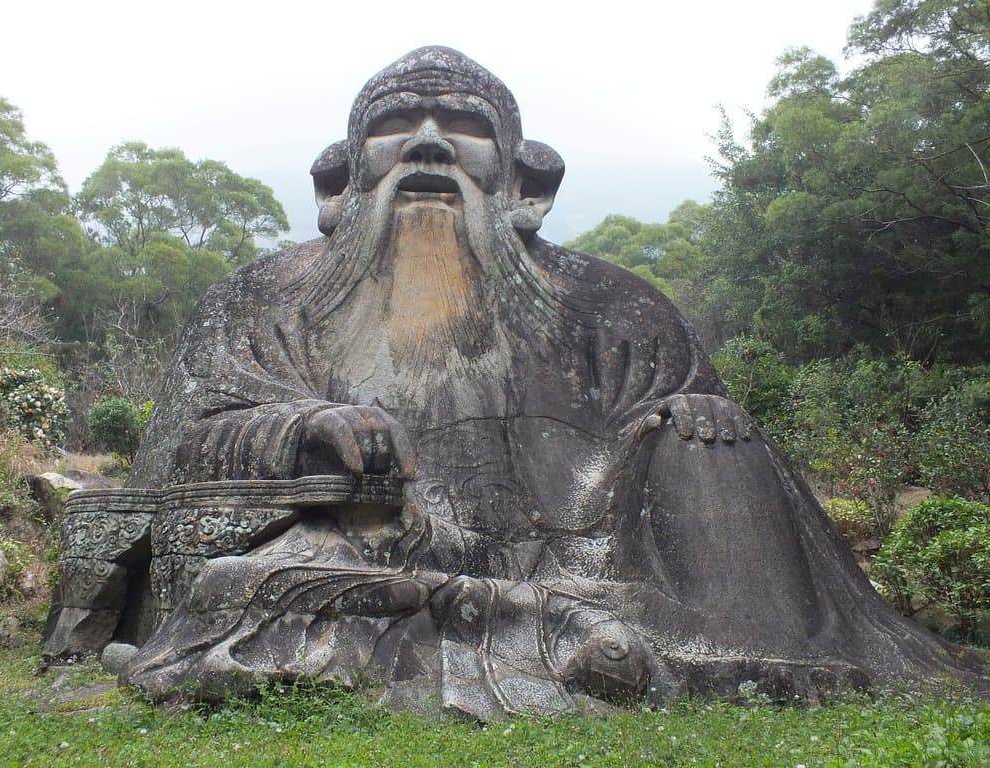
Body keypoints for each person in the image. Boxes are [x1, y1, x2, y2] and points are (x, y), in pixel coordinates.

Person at [58, 47, 986, 716]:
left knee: (715, 433)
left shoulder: (615, 305)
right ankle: (584, 649)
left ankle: (725, 649)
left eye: (463, 128)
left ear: (520, 182)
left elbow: (673, 440)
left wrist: (691, 414)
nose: (429, 146)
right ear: (344, 179)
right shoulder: (263, 297)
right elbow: (184, 446)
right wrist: (306, 426)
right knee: (255, 584)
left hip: (592, 561)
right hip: (371, 546)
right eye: (395, 127)